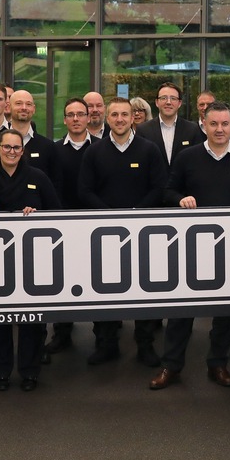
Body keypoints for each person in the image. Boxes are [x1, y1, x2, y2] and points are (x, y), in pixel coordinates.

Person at [149, 102, 230, 391]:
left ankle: (218, 364)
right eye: (213, 124)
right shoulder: (187, 157)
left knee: (226, 311)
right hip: (190, 246)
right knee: (181, 309)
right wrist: (180, 199)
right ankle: (171, 366)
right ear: (204, 125)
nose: (219, 129)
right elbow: (168, 191)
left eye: (225, 124)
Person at [0, 129, 62, 391]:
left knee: (32, 321)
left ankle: (30, 372)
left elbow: (58, 215)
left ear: (23, 151)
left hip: (34, 262)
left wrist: (37, 213)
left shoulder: (37, 177)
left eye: (17, 148)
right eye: (7, 147)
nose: (12, 152)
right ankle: (1, 371)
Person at [79, 98, 169, 368]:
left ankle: (145, 344)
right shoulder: (94, 152)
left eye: (124, 115)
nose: (119, 119)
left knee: (143, 291)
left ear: (133, 118)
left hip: (141, 232)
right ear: (108, 119)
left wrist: (134, 213)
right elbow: (84, 191)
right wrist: (110, 215)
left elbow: (159, 188)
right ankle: (106, 344)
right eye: (114, 114)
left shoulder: (149, 150)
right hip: (104, 233)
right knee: (105, 292)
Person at [44, 97, 96, 356]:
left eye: (80, 114)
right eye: (70, 115)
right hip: (62, 224)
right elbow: (50, 186)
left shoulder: (101, 147)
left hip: (95, 225)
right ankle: (62, 332)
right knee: (63, 281)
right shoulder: (53, 150)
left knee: (98, 279)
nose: (76, 119)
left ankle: (104, 336)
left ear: (89, 118)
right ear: (64, 120)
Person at [136, 82, 205, 170]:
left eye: (173, 98)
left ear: (179, 103)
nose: (168, 102)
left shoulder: (192, 129)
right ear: (157, 102)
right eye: (164, 98)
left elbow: (197, 162)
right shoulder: (143, 130)